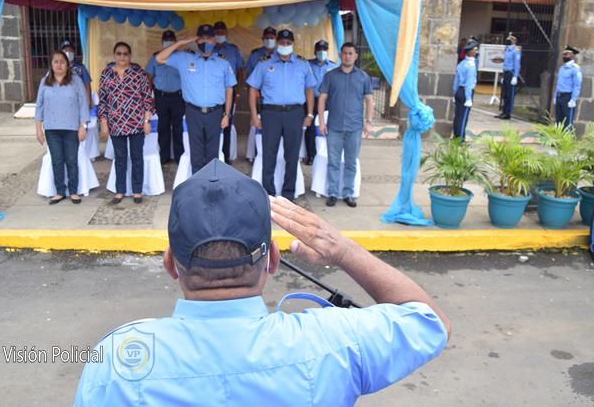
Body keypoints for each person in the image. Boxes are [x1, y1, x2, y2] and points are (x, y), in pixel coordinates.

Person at [73, 159, 451, 407]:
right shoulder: (335, 342)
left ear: (171, 264)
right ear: (273, 259)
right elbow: (431, 322)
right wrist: (343, 250)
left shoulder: (117, 360)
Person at [155, 25, 237, 174]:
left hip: (215, 113)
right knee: (196, 154)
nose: (205, 41)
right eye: (202, 38)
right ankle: (198, 184)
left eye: (209, 38)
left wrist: (227, 114)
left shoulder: (223, 62)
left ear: (214, 40)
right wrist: (181, 42)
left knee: (213, 154)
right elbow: (159, 58)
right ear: (196, 40)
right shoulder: (185, 58)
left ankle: (212, 184)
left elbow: (229, 88)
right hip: (193, 112)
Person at [247, 29, 317, 203]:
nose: (285, 45)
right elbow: (252, 89)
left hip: (295, 113)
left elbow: (309, 90)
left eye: (288, 43)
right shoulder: (264, 63)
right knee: (268, 155)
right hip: (270, 114)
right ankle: (268, 194)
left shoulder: (302, 64)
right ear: (277, 43)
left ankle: (288, 194)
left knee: (292, 156)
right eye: (282, 42)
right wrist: (255, 116)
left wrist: (309, 114)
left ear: (293, 44)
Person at [317, 42, 373, 208]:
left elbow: (369, 100)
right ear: (340, 55)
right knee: (333, 162)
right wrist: (321, 122)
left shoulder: (363, 77)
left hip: (354, 127)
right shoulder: (331, 76)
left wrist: (369, 122)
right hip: (334, 126)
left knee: (351, 163)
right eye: (345, 53)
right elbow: (322, 99)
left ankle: (348, 193)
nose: (347, 56)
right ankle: (333, 193)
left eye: (350, 53)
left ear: (355, 56)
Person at [98, 42, 153, 204]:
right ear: (114, 55)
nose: (122, 56)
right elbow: (103, 100)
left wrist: (147, 121)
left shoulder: (139, 73)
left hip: (136, 122)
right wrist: (104, 123)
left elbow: (147, 98)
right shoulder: (106, 74)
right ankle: (120, 190)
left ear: (130, 55)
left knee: (137, 157)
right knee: (120, 158)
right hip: (115, 123)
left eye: (125, 53)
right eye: (119, 53)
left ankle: (137, 190)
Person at [35, 50, 90, 205]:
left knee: (71, 160)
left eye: (62, 61)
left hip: (72, 128)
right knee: (57, 161)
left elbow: (83, 104)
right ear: (51, 64)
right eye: (56, 62)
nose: (59, 65)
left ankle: (73, 191)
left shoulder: (76, 81)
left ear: (67, 64)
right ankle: (60, 191)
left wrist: (83, 126)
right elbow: (39, 106)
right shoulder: (45, 82)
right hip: (51, 128)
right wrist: (38, 129)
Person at [146, 30, 185, 165]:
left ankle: (179, 155)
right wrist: (149, 98)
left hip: (178, 98)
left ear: (175, 42)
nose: (169, 42)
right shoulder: (155, 57)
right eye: (166, 40)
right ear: (162, 42)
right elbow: (150, 79)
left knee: (178, 128)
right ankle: (164, 155)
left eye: (171, 40)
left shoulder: (181, 57)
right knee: (163, 128)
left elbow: (187, 78)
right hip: (161, 98)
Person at [213, 21, 245, 165]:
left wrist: (238, 93)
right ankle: (213, 155)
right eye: (217, 32)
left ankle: (225, 155)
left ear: (226, 34)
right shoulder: (208, 49)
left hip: (229, 93)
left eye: (222, 32)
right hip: (213, 93)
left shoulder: (233, 50)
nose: (220, 34)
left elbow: (239, 71)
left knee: (226, 124)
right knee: (212, 125)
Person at [305, 40, 338, 166]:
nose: (322, 52)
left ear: (327, 51)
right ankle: (311, 155)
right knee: (311, 129)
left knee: (328, 128)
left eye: (324, 50)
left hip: (329, 101)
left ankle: (327, 154)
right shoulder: (307, 65)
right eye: (319, 50)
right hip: (312, 100)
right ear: (314, 51)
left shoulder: (334, 66)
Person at [452, 41, 478, 140]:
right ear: (473, 53)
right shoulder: (471, 65)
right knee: (463, 118)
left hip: (459, 90)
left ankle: (456, 137)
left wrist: (454, 93)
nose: (476, 52)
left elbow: (456, 80)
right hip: (465, 92)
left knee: (457, 116)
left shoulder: (462, 63)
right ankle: (460, 140)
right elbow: (469, 83)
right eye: (475, 51)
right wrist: (468, 98)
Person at [554, 45, 582, 129]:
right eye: (564, 55)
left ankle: (567, 136)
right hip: (559, 96)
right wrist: (555, 96)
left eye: (566, 55)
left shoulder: (575, 69)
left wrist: (573, 99)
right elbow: (558, 84)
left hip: (567, 97)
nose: (564, 56)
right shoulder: (562, 68)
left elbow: (577, 86)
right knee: (558, 120)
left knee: (567, 121)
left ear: (572, 56)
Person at [495, 32, 521, 120]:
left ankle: (507, 113)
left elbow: (517, 65)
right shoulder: (508, 50)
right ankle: (504, 111)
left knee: (509, 94)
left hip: (511, 73)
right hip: (506, 73)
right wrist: (503, 76)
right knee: (505, 94)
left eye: (511, 39)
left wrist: (515, 76)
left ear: (515, 41)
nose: (509, 41)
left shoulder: (516, 50)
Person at [60, 40, 94, 109]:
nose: (67, 53)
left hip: (78, 102)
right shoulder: (57, 67)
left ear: (74, 53)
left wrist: (88, 102)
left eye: (70, 51)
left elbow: (87, 85)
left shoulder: (81, 67)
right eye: (65, 51)